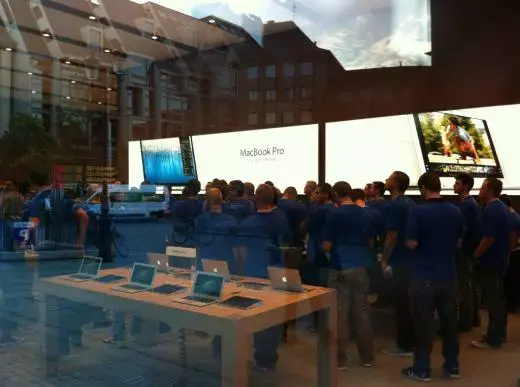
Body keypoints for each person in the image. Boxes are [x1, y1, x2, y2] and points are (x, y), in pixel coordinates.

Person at [401, 172, 462, 382]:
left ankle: (422, 369)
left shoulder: (417, 212)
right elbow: (459, 240)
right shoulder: (455, 210)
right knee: (449, 324)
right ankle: (452, 366)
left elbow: (412, 243)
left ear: (423, 189)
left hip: (424, 275)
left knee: (423, 324)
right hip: (448, 275)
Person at [237, 184, 290, 371]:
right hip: (276, 272)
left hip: (253, 273)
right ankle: (267, 358)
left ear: (255, 200)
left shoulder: (247, 223)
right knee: (273, 316)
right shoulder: (281, 219)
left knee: (254, 313)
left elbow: (241, 251)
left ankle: (260, 353)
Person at [323, 181, 374, 370]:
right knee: (361, 312)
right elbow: (370, 240)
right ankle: (367, 357)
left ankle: (340, 359)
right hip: (361, 265)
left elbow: (327, 244)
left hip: (339, 267)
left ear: (336, 194)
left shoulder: (334, 214)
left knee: (340, 314)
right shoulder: (365, 212)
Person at [472, 178, 511, 349]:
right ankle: (499, 334)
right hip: (500, 259)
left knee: (492, 300)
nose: (479, 190)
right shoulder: (502, 207)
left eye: (481, 187)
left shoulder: (491, 210)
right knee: (498, 299)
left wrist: (476, 255)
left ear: (488, 189)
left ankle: (493, 338)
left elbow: (488, 238)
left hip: (490, 261)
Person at [381, 171, 416, 357]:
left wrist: (384, 259)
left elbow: (392, 236)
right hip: (411, 259)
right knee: (408, 303)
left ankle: (404, 345)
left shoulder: (394, 205)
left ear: (395, 183)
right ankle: (410, 341)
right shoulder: (410, 202)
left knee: (400, 304)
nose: (386, 179)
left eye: (389, 177)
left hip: (399, 260)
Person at [453, 173, 482, 331]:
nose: (454, 186)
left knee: (463, 287)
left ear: (465, 186)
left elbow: (462, 230)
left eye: (457, 183)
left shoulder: (465, 205)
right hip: (470, 250)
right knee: (470, 286)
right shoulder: (472, 203)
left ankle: (464, 322)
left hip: (465, 251)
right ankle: (473, 319)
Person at [194, 188, 239, 272]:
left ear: (206, 203)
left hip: (204, 266)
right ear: (222, 201)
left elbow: (197, 241)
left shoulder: (201, 220)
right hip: (227, 266)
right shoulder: (232, 221)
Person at [499, 194, 520, 313]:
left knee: (511, 281)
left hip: (514, 253)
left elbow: (512, 237)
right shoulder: (515, 215)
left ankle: (511, 306)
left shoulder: (511, 217)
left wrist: (508, 252)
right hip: (516, 252)